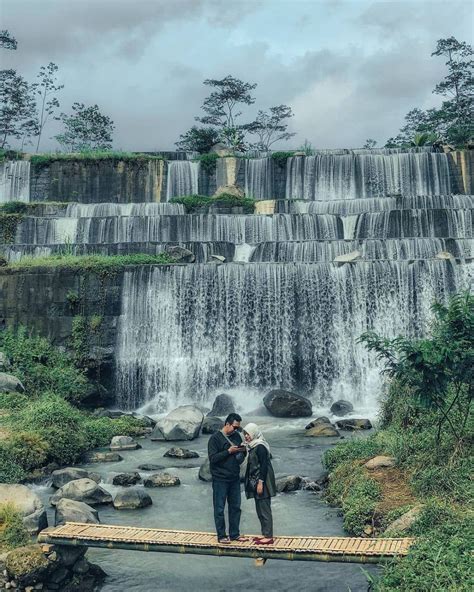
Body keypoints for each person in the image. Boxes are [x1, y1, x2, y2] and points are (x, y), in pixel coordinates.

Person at [208, 413, 247, 544]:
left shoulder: (236, 436)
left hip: (234, 478)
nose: (236, 430)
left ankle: (234, 534)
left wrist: (242, 450)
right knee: (219, 508)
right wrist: (229, 452)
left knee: (235, 507)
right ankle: (221, 535)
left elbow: (242, 453)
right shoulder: (214, 439)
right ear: (227, 424)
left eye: (238, 428)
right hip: (220, 479)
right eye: (234, 427)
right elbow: (213, 459)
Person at [243, 423, 276, 545]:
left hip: (263, 481)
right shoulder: (252, 446)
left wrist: (261, 483)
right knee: (259, 509)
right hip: (256, 480)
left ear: (254, 434)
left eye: (248, 434)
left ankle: (269, 536)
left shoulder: (260, 446)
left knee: (264, 508)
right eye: (245, 434)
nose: (246, 436)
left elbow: (264, 466)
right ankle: (264, 534)